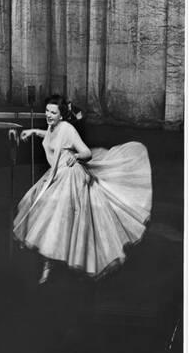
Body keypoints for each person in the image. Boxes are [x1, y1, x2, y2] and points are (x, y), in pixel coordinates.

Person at [13, 94, 152, 284]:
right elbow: (52, 138)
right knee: (44, 210)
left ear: (61, 115)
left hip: (70, 176)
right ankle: (49, 262)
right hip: (57, 174)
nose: (49, 115)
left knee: (57, 217)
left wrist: (76, 157)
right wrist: (34, 131)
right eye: (47, 111)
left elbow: (86, 152)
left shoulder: (67, 129)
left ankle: (54, 264)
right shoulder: (53, 126)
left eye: (53, 112)